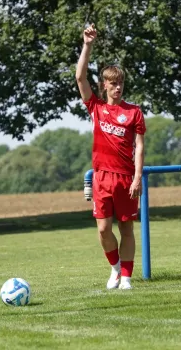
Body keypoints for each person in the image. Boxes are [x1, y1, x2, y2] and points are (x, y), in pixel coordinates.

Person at [75, 24, 146, 290]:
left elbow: (139, 146)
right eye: (113, 84)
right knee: (104, 229)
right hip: (101, 177)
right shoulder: (96, 107)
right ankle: (115, 268)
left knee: (127, 229)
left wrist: (138, 176)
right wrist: (87, 45)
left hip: (127, 178)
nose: (118, 88)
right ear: (104, 85)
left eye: (121, 84)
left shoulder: (134, 113)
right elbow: (80, 77)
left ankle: (127, 277)